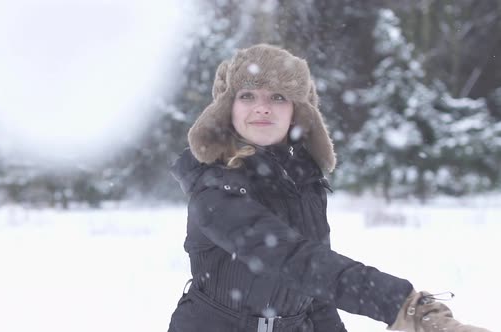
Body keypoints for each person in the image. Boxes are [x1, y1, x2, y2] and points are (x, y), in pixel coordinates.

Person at [167, 44, 490, 332]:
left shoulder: (303, 181)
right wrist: (402, 306)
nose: (262, 107)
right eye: (247, 95)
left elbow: (313, 287)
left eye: (278, 96)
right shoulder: (214, 185)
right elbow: (292, 258)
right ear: (227, 108)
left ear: (297, 111)